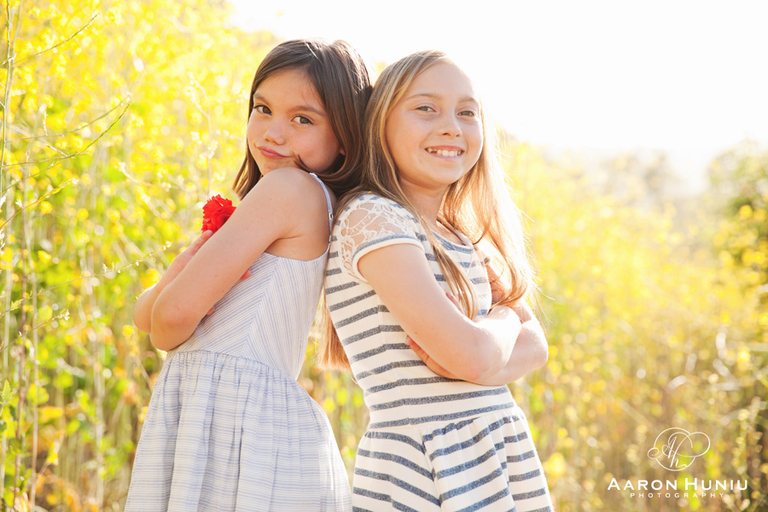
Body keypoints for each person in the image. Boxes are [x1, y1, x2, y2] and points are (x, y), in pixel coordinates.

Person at [125, 39, 371, 512]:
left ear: (345, 137)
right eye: (263, 108)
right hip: (246, 423)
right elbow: (146, 316)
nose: (273, 133)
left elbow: (166, 324)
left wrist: (177, 297)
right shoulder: (311, 201)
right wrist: (182, 271)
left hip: (233, 423)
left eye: (303, 119)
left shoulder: (288, 188)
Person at [321, 50, 553, 511]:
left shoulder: (459, 233)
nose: (451, 127)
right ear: (380, 124)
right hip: (428, 461)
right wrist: (503, 323)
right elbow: (475, 356)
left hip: (492, 451)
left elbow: (537, 347)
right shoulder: (374, 218)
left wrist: (482, 351)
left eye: (467, 112)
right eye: (425, 108)